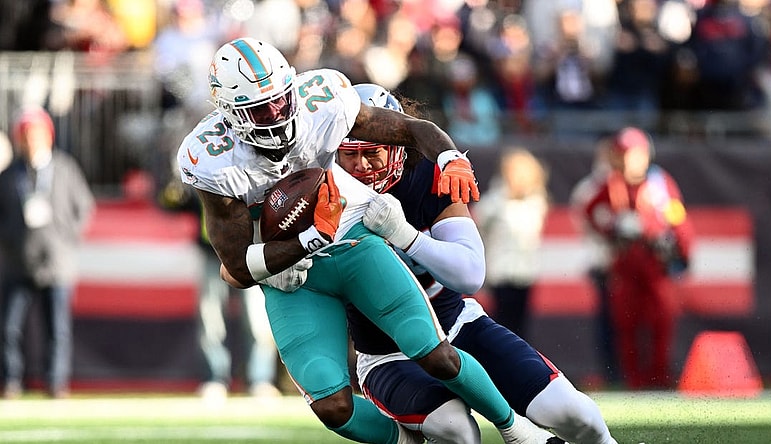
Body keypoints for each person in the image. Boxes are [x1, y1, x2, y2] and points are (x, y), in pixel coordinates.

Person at [178, 37, 539, 444]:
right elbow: (238, 268)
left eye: (281, 99)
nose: (278, 113)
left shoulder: (323, 97)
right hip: (291, 277)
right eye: (263, 108)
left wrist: (449, 157)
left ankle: (517, 430)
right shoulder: (211, 158)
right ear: (232, 115)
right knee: (331, 405)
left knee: (435, 352)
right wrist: (308, 239)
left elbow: (410, 128)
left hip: (352, 241)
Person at [337, 83, 618, 444]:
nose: (360, 166)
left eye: (372, 153)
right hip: (388, 354)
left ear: (397, 149)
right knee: (457, 430)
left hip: (456, 325)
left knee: (574, 415)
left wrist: (406, 236)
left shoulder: (424, 175)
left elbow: (470, 273)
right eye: (349, 154)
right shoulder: (325, 197)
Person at [580, 126, 693, 390]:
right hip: (626, 261)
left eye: (635, 154)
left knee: (662, 321)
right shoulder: (611, 184)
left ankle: (660, 378)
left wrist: (682, 249)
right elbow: (589, 210)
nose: (631, 161)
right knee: (626, 322)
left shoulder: (660, 183)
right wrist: (611, 228)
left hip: (655, 263)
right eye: (625, 155)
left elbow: (678, 217)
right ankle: (634, 381)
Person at [0, 106, 95, 399]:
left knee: (57, 330)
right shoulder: (9, 175)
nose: (31, 140)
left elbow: (84, 208)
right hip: (18, 262)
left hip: (57, 261)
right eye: (26, 135)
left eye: (36, 134)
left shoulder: (65, 169)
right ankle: (11, 380)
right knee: (9, 328)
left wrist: (66, 238)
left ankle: (55, 382)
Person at [157, 179, 281, 403]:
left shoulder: (248, 163)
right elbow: (174, 203)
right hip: (212, 250)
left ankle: (260, 378)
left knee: (256, 319)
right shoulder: (201, 166)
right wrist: (176, 193)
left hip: (249, 249)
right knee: (211, 320)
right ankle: (215, 378)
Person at [472, 147, 550, 341]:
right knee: (503, 323)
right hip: (501, 272)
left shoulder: (535, 202)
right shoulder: (495, 201)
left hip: (525, 272)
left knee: (521, 324)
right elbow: (481, 221)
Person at [569, 135, 619, 386]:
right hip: (604, 260)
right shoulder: (595, 188)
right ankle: (612, 371)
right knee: (607, 318)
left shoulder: (628, 184)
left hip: (626, 261)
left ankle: (627, 372)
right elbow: (588, 220)